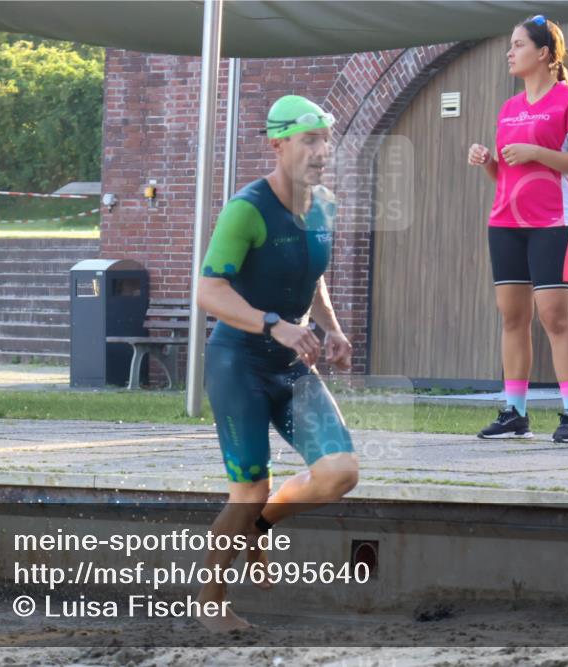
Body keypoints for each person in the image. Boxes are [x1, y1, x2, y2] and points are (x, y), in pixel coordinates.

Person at [194, 95, 359, 631]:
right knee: (248, 490)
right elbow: (209, 290)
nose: (321, 151)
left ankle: (259, 527)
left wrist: (329, 327)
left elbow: (312, 280)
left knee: (339, 473)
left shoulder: (325, 205)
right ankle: (210, 603)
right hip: (239, 361)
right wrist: (273, 324)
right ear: (279, 144)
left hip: (292, 364)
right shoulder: (248, 208)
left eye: (325, 140)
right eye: (310, 140)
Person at [467, 15, 568, 443]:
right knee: (512, 318)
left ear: (543, 53)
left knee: (554, 318)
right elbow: (507, 174)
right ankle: (515, 413)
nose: (510, 52)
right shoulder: (508, 108)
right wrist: (488, 162)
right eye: (511, 45)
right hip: (505, 221)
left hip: (554, 222)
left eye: (519, 45)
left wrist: (538, 152)